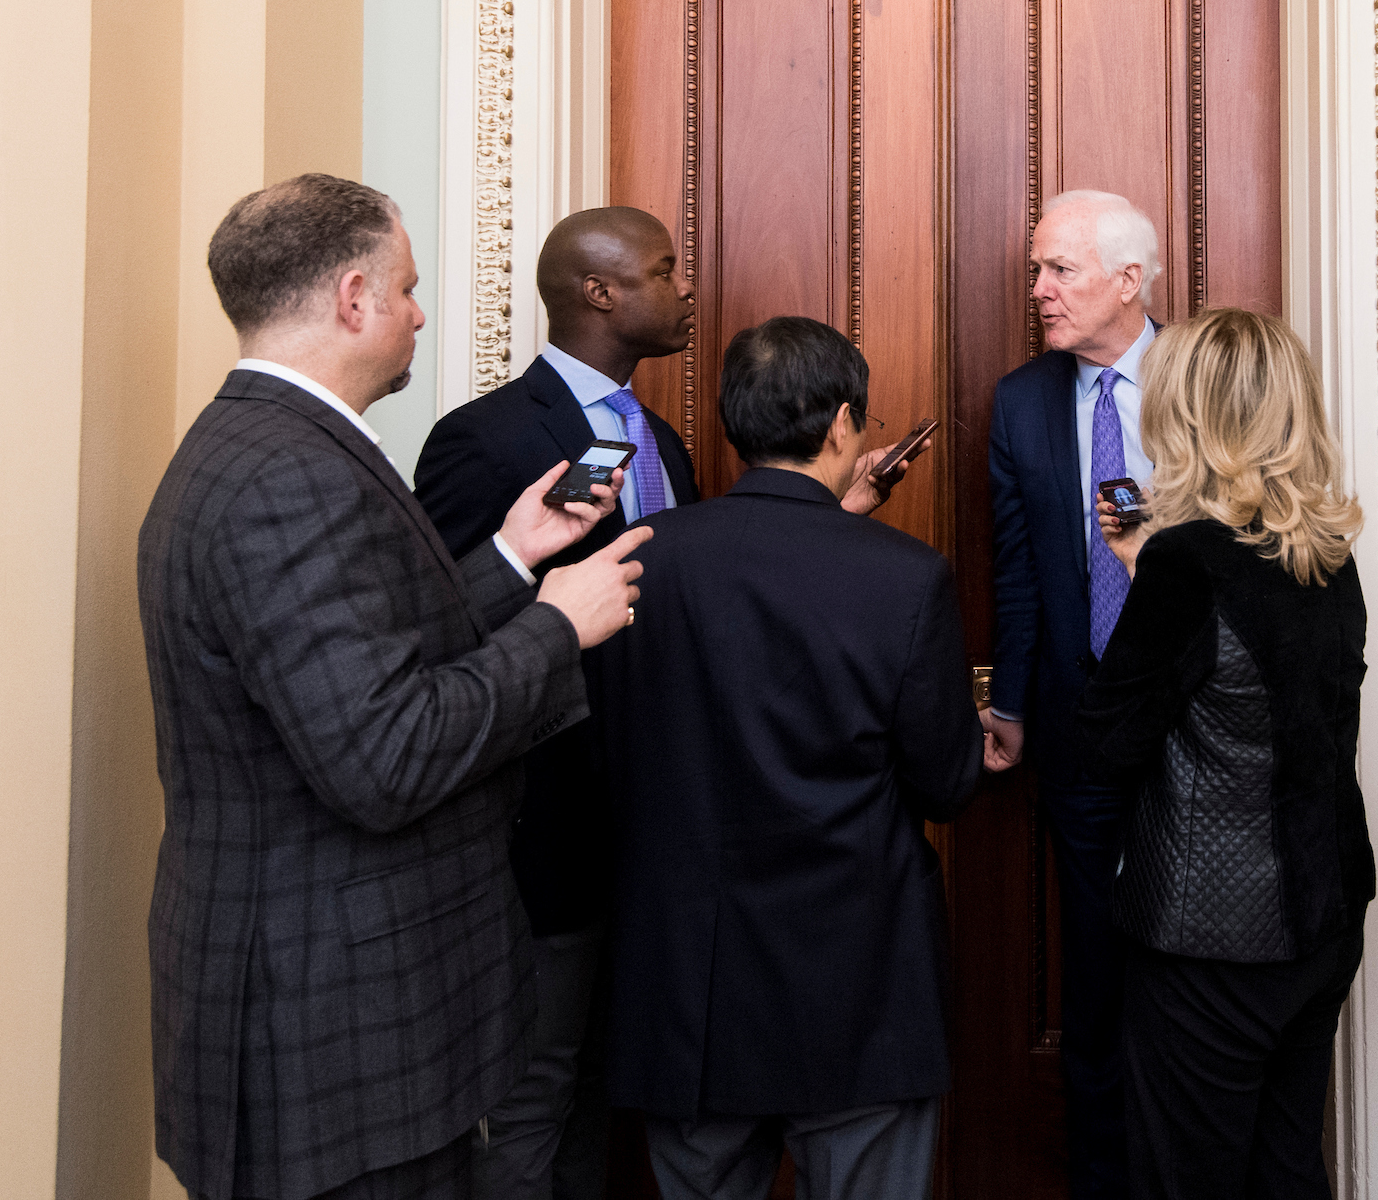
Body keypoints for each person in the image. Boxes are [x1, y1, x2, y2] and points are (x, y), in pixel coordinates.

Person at [140, 173, 649, 1200]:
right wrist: (558, 621)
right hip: (334, 1020)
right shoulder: (288, 475)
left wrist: (510, 556)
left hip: (335, 1002)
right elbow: (385, 753)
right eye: (410, 290)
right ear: (354, 297)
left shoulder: (268, 445)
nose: (421, 314)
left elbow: (362, 653)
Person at [588, 316, 983, 1200]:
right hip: (860, 987)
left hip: (690, 990)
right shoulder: (905, 577)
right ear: (844, 424)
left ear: (736, 422)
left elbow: (610, 757)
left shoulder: (641, 564)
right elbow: (946, 785)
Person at [415, 207, 700, 1200]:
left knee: (601, 1092)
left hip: (654, 831)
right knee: (532, 1095)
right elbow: (441, 626)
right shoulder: (484, 438)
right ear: (601, 292)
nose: (687, 285)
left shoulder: (662, 440)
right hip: (541, 837)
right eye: (666, 269)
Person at [1077, 308, 1373, 1200]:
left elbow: (1105, 743)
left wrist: (1142, 577)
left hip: (1209, 934)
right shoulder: (1326, 551)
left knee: (1187, 1179)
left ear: (1186, 414)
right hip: (1322, 917)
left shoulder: (1188, 561)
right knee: (1284, 1168)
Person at [986, 188, 1164, 1200]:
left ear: (1129, 281)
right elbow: (1018, 571)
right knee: (1094, 979)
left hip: (1197, 732)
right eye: (1037, 270)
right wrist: (1010, 701)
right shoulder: (1021, 400)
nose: (1040, 290)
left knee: (1188, 974)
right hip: (1076, 726)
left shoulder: (1204, 381)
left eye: (1060, 270)